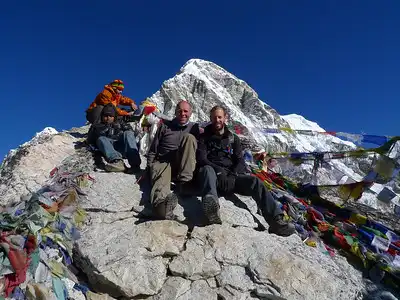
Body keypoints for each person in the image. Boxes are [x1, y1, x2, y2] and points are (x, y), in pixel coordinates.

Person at [196, 105, 295, 236]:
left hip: (231, 178)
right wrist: (218, 171)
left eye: (220, 117)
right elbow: (202, 159)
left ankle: (276, 221)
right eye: (214, 117)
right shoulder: (204, 138)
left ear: (225, 118)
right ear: (210, 119)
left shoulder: (233, 138)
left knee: (255, 181)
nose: (217, 120)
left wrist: (232, 174)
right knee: (207, 169)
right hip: (213, 176)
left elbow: (240, 161)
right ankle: (212, 209)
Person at [147, 100, 201, 220]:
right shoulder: (165, 126)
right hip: (164, 164)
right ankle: (160, 206)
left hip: (182, 166)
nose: (183, 113)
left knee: (189, 138)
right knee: (162, 167)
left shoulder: (194, 128)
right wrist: (149, 168)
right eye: (180, 111)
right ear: (175, 112)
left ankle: (185, 184)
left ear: (190, 113)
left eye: (186, 111)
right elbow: (153, 150)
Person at [87, 103, 141, 172]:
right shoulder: (96, 127)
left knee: (128, 133)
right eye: (106, 115)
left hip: (122, 148)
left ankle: (135, 165)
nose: (108, 118)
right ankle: (117, 162)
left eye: (111, 116)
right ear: (102, 116)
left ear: (114, 116)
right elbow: (90, 143)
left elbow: (130, 135)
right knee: (101, 138)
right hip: (108, 150)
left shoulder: (120, 123)